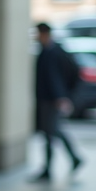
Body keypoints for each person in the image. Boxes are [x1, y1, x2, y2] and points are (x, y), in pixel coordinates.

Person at [32, 22, 83, 182]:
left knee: (51, 132)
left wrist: (62, 96)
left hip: (53, 100)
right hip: (46, 99)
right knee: (51, 132)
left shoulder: (54, 52)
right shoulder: (46, 51)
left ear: (44, 34)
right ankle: (70, 159)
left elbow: (59, 77)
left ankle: (56, 165)